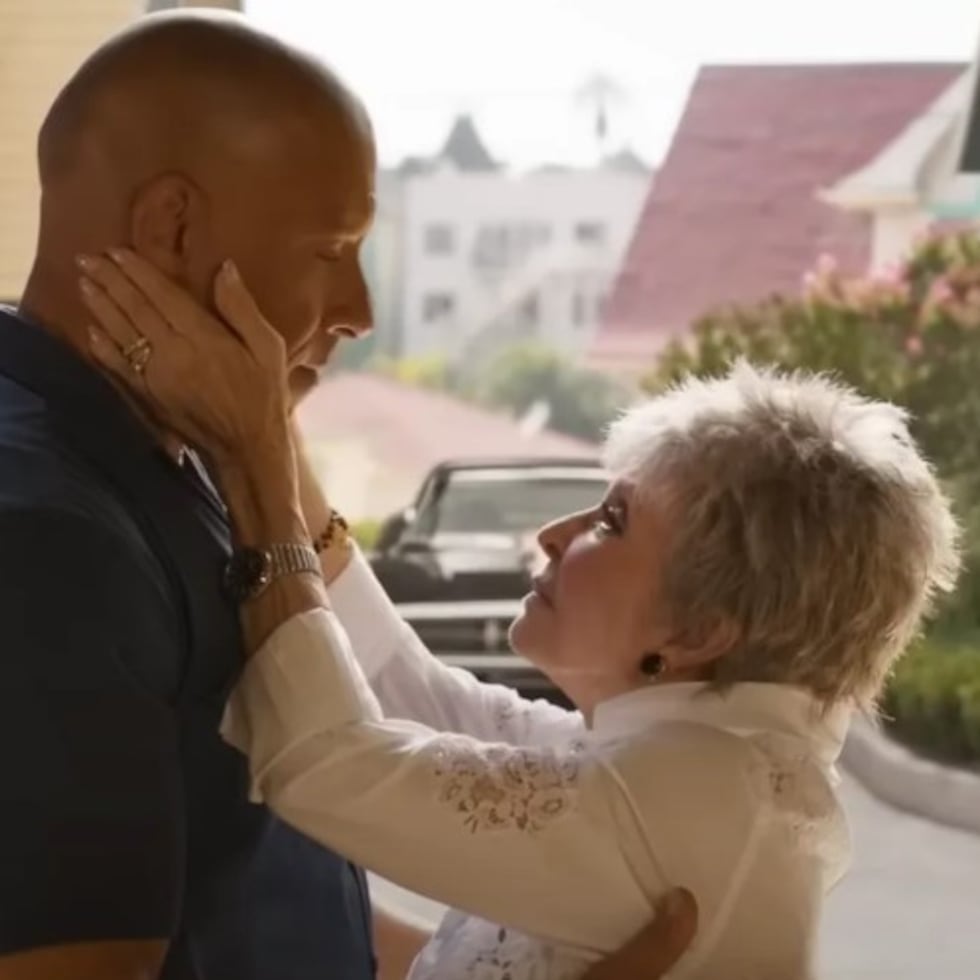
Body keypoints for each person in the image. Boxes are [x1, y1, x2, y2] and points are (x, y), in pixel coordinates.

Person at [0, 9, 694, 980]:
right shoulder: (46, 543)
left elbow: (259, 880)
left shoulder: (184, 444)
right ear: (171, 226)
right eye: (331, 248)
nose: (362, 311)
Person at [80, 251, 961, 979]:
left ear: (699, 633)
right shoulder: (689, 763)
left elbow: (329, 762)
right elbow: (406, 693)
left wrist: (252, 459)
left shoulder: (695, 796)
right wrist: (270, 423)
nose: (551, 535)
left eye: (610, 523)